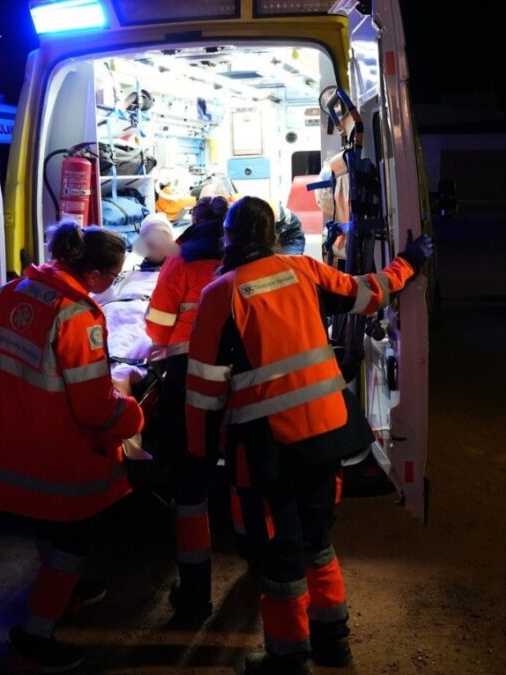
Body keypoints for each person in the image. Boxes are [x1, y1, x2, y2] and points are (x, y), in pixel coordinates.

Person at [185, 197, 433, 674]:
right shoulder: (303, 270)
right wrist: (409, 260)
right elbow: (370, 292)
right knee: (317, 540)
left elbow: (203, 389)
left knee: (281, 549)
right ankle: (333, 642)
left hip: (269, 447)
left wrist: (200, 453)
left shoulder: (220, 294)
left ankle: (287, 657)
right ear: (273, 236)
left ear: (227, 238)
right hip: (326, 433)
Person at [0, 222, 144, 673]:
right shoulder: (77, 315)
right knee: (74, 535)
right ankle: (34, 639)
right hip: (43, 452)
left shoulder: (13, 290)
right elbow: (94, 407)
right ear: (94, 275)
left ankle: (65, 588)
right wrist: (132, 414)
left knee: (44, 525)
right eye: (115, 276)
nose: (114, 284)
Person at [144, 195, 229, 620]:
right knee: (248, 471)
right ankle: (259, 560)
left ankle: (195, 595)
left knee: (190, 482)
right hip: (242, 375)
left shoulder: (180, 261)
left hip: (188, 374)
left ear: (194, 221)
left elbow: (158, 327)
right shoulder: (248, 259)